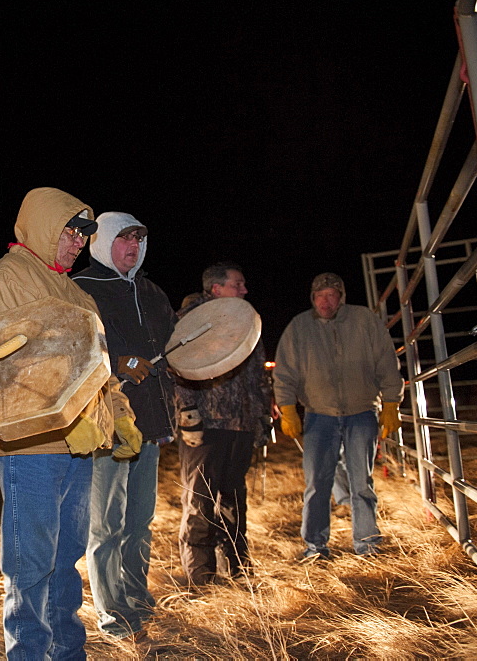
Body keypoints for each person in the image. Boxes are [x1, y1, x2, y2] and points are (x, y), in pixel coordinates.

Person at [0, 187, 143, 659]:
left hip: (78, 442)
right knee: (30, 567)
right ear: (46, 227)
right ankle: (28, 653)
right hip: (30, 446)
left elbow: (96, 363)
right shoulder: (9, 277)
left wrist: (117, 414)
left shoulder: (71, 288)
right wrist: (68, 414)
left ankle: (68, 652)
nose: (76, 243)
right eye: (70, 232)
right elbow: (17, 366)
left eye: (83, 234)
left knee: (66, 559)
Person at [72, 212, 176, 638]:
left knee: (140, 519)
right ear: (103, 243)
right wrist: (115, 363)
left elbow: (171, 348)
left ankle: (136, 597)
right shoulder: (82, 288)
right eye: (123, 238)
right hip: (106, 424)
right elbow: (73, 347)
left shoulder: (152, 292)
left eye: (138, 239)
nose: (132, 245)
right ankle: (111, 610)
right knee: (107, 524)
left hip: (148, 421)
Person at [273, 273, 403, 558]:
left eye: (331, 295)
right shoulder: (299, 327)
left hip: (361, 412)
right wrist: (288, 408)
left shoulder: (364, 320)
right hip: (319, 416)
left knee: (362, 483)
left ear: (341, 297)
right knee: (317, 484)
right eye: (320, 296)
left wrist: (392, 401)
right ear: (312, 298)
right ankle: (315, 546)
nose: (325, 301)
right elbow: (285, 372)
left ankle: (367, 543)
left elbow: (386, 360)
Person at [173, 262, 271, 585]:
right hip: (206, 426)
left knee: (234, 501)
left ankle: (238, 568)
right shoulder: (192, 321)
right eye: (237, 284)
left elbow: (258, 373)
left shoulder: (246, 321)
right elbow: (178, 368)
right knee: (200, 501)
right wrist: (188, 414)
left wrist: (261, 417)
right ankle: (200, 578)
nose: (244, 290)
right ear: (216, 289)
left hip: (240, 425)